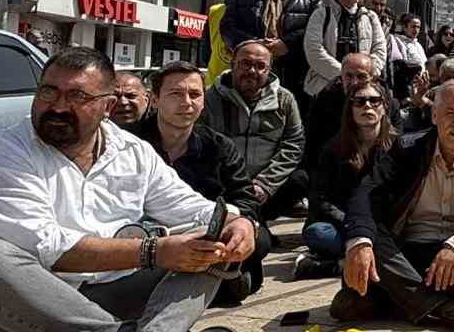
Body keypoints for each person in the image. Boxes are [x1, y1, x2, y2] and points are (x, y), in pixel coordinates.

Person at [0, 49, 253, 332]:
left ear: (107, 106)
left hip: (105, 299)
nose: (57, 106)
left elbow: (190, 207)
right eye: (48, 92)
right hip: (9, 326)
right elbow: (49, 249)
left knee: (209, 240)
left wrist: (237, 222)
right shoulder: (3, 155)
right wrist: (153, 251)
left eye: (77, 97)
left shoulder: (133, 151)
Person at [335, 80, 454, 332]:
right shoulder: (405, 149)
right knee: (370, 239)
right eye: (451, 113)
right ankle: (447, 309)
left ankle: (393, 296)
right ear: (434, 115)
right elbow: (365, 194)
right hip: (404, 251)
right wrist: (360, 242)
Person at [134, 62, 265, 294]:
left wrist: (239, 225)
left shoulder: (219, 146)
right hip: (144, 237)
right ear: (154, 99)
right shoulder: (128, 143)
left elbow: (245, 198)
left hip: (203, 231)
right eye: (175, 93)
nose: (186, 102)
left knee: (258, 237)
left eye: (195, 94)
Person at [201, 41, 305, 290]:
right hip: (224, 190)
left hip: (265, 189)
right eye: (245, 64)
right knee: (256, 260)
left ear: (269, 70)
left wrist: (265, 183)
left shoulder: (285, 100)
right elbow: (201, 146)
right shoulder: (209, 99)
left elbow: (294, 143)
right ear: (232, 64)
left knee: (301, 179)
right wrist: (234, 188)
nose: (252, 71)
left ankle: (257, 225)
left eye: (260, 66)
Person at [295, 76, 398, 279]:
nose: (367, 106)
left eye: (374, 100)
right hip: (344, 222)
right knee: (318, 233)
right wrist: (353, 222)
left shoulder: (400, 146)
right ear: (350, 109)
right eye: (359, 101)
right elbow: (320, 199)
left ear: (385, 106)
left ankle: (337, 265)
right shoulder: (333, 149)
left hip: (386, 223)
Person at [220, 0, 322, 108]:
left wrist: (287, 44)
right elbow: (227, 28)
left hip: (296, 79)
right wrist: (254, 47)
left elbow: (316, 32)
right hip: (249, 76)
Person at [304, 0, 389, 99]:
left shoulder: (370, 17)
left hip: (362, 90)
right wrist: (345, 75)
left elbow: (379, 50)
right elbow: (314, 50)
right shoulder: (322, 14)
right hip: (325, 89)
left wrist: (364, 76)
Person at [388, 14, 428, 103]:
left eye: (418, 27)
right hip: (406, 89)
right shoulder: (397, 41)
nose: (416, 30)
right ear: (405, 27)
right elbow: (399, 66)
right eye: (413, 26)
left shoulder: (418, 45)